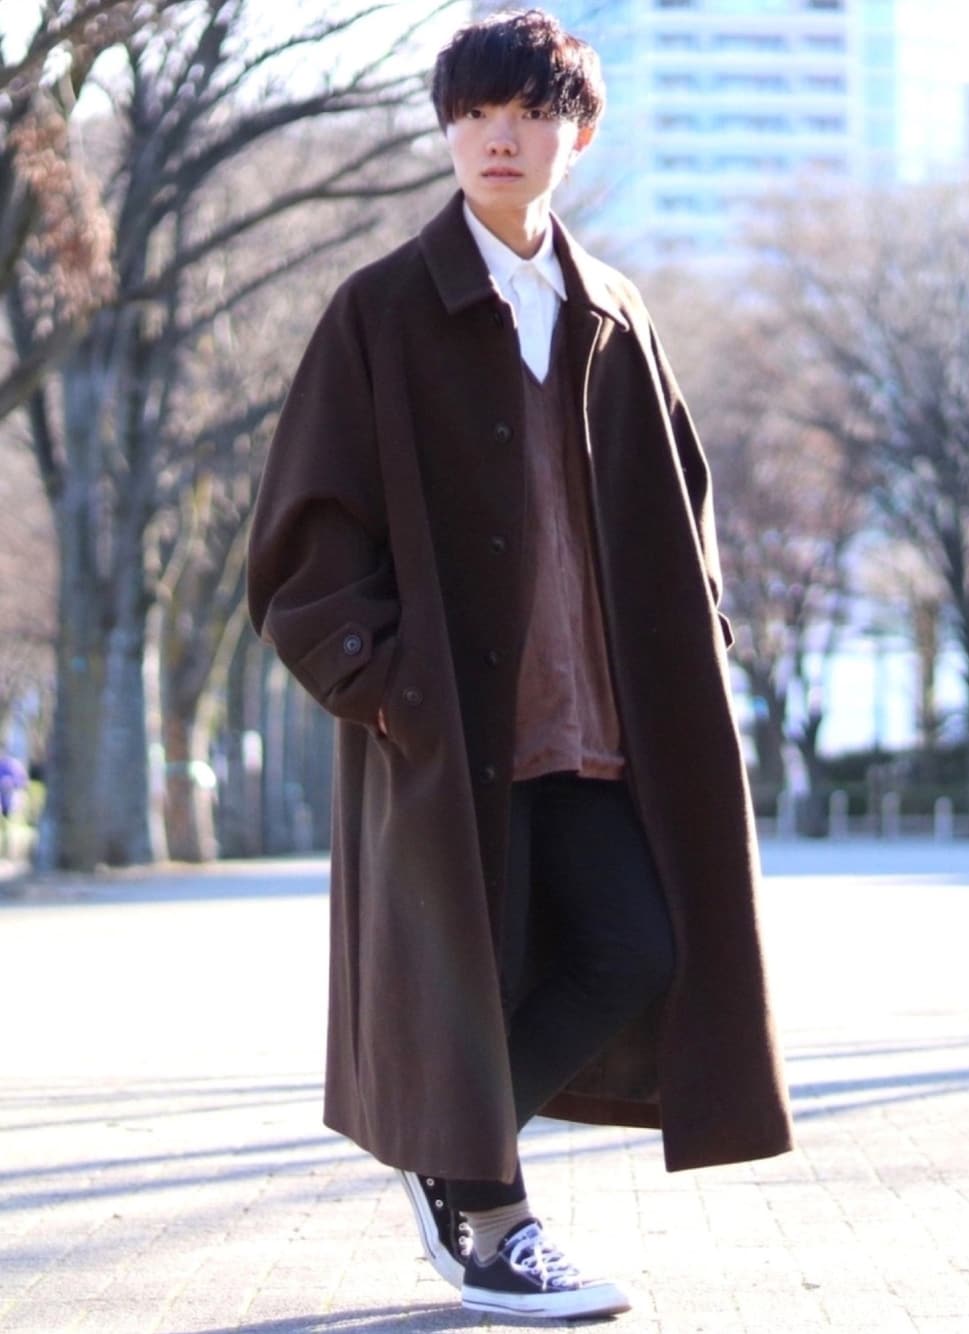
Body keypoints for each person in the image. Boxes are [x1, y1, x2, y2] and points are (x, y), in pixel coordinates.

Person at [247, 7, 792, 1320]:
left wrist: (699, 643)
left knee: (636, 946)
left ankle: (448, 1153)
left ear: (576, 135)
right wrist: (386, 685)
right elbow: (303, 545)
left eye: (532, 113)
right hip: (449, 726)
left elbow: (686, 509)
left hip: (600, 724)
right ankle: (488, 1219)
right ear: (447, 129)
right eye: (478, 112)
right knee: (465, 969)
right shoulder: (379, 311)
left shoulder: (617, 314)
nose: (502, 136)